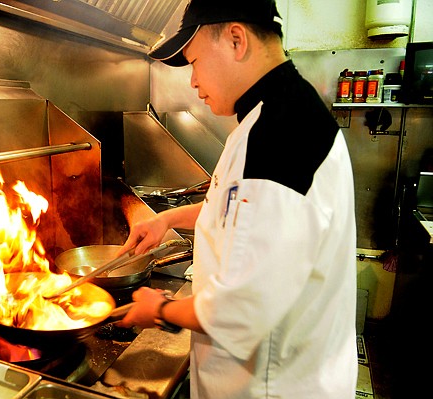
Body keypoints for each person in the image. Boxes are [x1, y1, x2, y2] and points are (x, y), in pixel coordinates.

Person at [116, 0, 358, 398]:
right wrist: (167, 219)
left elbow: (244, 310)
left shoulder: (280, 136)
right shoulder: (269, 117)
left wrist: (158, 310)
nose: (193, 82)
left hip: (275, 385)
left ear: (235, 40)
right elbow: (233, 209)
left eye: (193, 61)